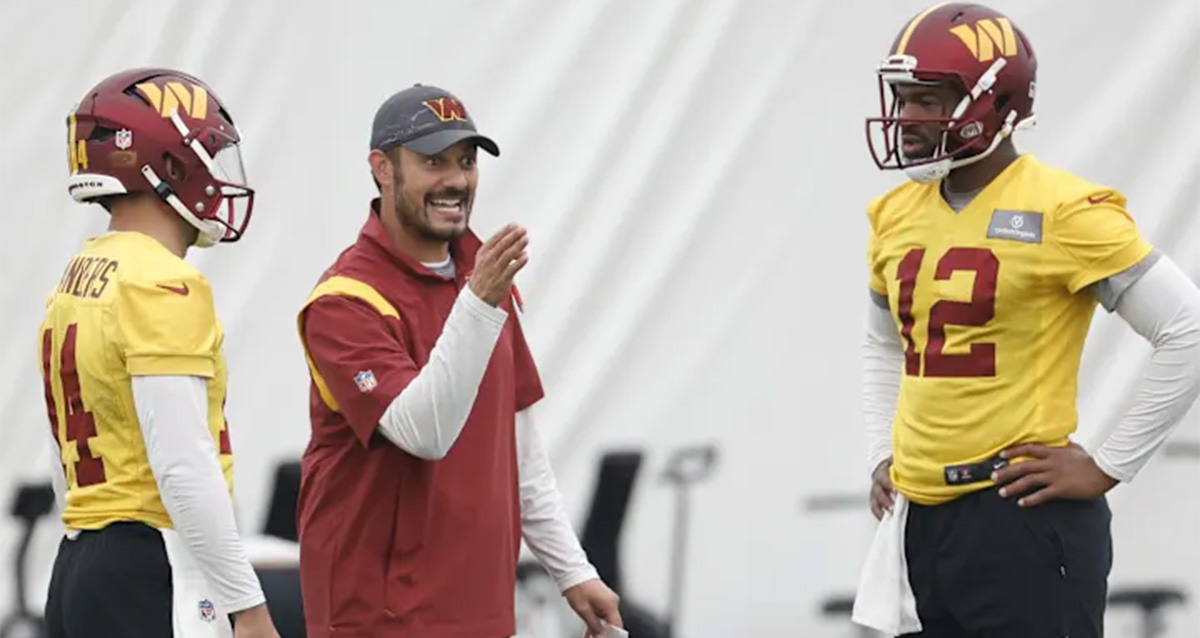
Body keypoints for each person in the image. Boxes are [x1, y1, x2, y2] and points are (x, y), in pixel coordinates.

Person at [854, 3, 1200, 637]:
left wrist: (1105, 466)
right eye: (903, 98)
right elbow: (885, 346)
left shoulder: (1065, 210)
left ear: (995, 103)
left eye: (927, 100)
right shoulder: (895, 213)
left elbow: (1190, 331)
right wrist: (884, 453)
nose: (906, 118)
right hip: (923, 520)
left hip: (1018, 517)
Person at [295, 83, 623, 638]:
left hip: (482, 615)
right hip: (376, 620)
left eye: (466, 161)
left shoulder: (481, 279)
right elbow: (424, 433)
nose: (456, 180)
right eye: (432, 162)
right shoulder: (344, 300)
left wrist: (573, 570)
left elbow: (518, 449)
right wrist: (478, 303)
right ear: (383, 168)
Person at [38, 68, 279, 638]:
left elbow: (60, 464)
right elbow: (183, 466)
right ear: (170, 166)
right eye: (207, 157)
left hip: (76, 564)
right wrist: (248, 606)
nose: (217, 176)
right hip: (152, 564)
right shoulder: (164, 283)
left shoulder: (75, 278)